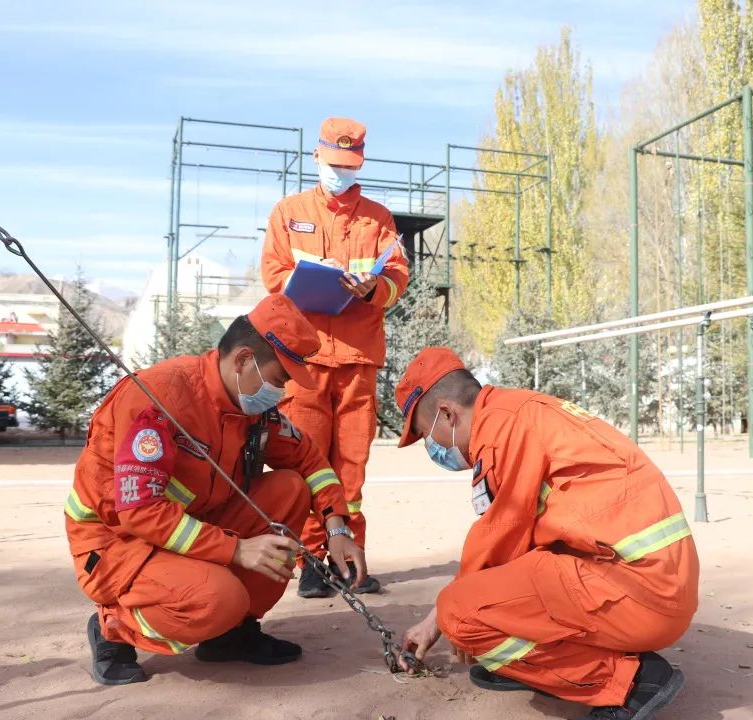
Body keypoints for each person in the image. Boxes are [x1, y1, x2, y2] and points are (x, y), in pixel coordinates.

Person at [65, 293, 367, 685]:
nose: (282, 392)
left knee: (290, 487)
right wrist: (236, 549)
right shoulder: (158, 399)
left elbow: (308, 460)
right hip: (116, 543)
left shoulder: (248, 405)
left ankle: (231, 634)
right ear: (243, 360)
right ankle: (114, 625)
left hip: (189, 527)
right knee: (217, 599)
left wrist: (337, 528)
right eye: (279, 379)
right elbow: (139, 511)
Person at [394, 348, 698, 720]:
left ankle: (631, 682)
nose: (436, 447)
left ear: (447, 413)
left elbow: (498, 541)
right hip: (650, 582)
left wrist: (443, 620)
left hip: (637, 593)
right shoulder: (516, 411)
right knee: (483, 596)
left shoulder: (502, 432)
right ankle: (544, 668)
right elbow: (519, 545)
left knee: (461, 612)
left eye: (428, 434)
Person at [261, 116, 409, 598]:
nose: (340, 173)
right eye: (332, 163)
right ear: (316, 157)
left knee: (352, 467)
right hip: (304, 362)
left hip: (357, 362)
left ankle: (349, 559)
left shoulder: (378, 219)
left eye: (349, 165)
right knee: (306, 462)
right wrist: (308, 278)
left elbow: (397, 281)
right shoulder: (289, 212)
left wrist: (373, 289)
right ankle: (311, 563)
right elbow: (273, 274)